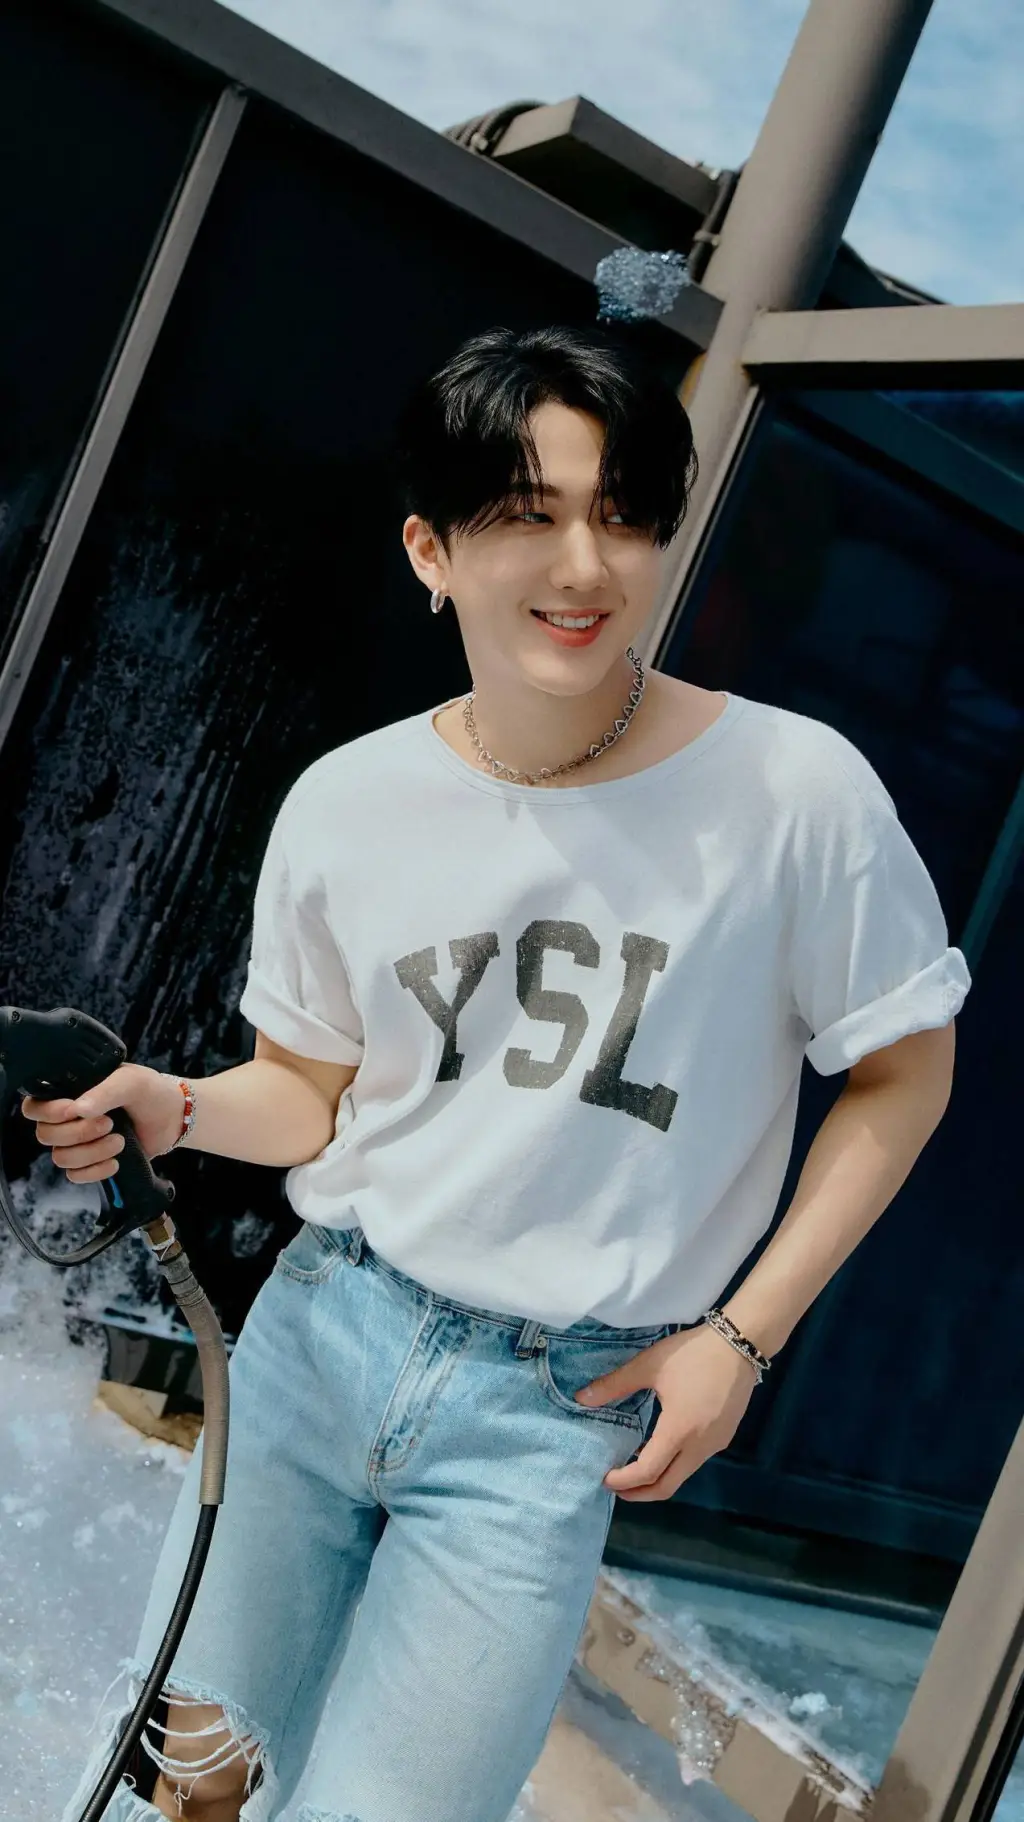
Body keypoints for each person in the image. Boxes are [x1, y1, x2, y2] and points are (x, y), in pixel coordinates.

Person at [33, 323, 969, 1822]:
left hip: (554, 1411)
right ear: (432, 548)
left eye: (623, 516)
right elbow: (310, 1095)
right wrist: (179, 1105)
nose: (584, 566)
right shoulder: (350, 803)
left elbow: (906, 1075)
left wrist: (741, 1338)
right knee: (188, 1782)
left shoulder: (795, 796)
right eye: (529, 515)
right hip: (323, 1333)